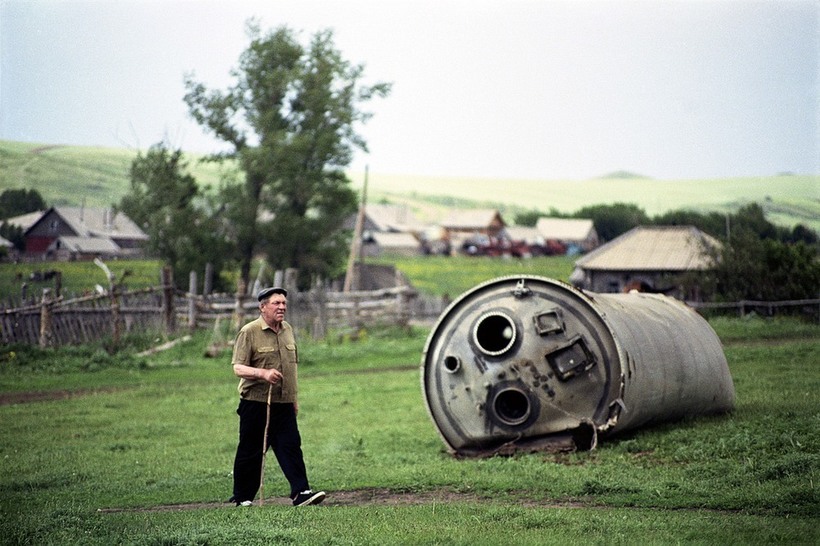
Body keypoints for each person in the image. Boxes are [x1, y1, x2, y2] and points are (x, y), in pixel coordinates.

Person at [228, 286, 326, 507]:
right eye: (276, 303)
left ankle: (301, 493)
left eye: (284, 303)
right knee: (251, 450)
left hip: (283, 403)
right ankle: (243, 497)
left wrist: (294, 399)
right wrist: (262, 373)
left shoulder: (288, 330)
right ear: (263, 307)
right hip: (256, 403)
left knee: (291, 447)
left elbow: (292, 369)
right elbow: (238, 368)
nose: (282, 307)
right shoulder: (249, 332)